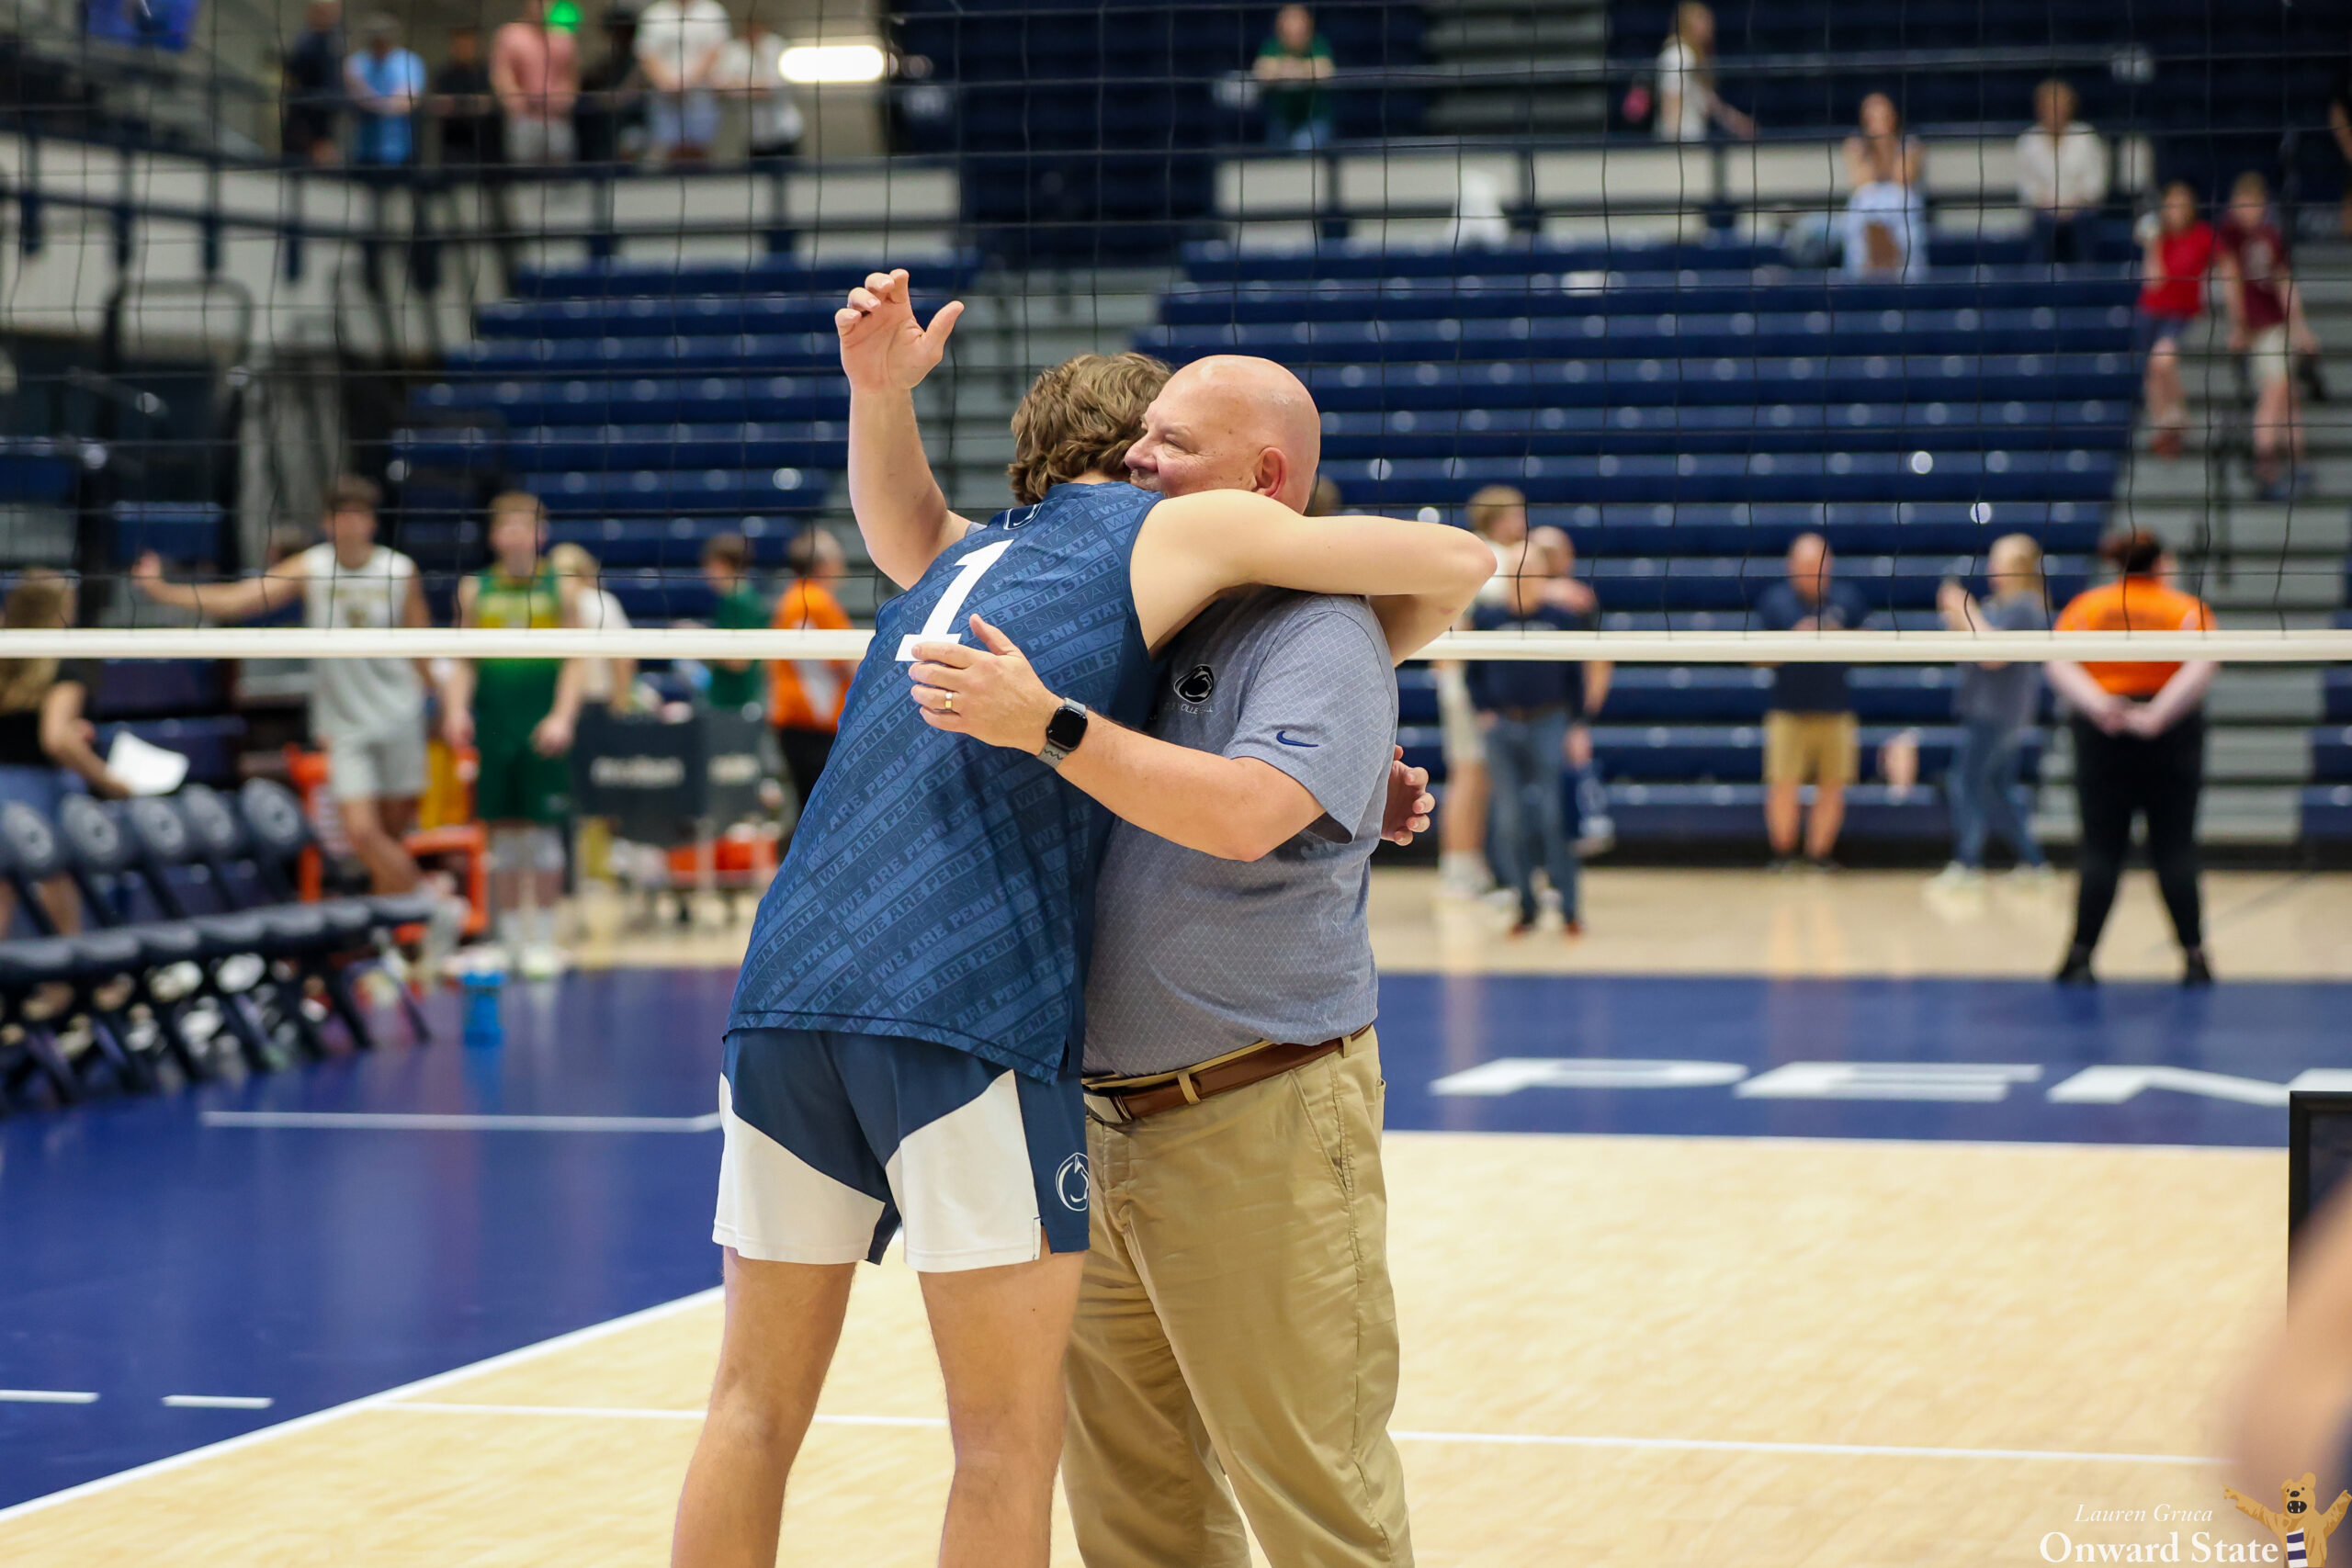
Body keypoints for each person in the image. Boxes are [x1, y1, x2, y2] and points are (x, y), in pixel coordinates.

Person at [668, 269, 1491, 1568]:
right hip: (981, 1015)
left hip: (798, 987)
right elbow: (1456, 559)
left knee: (752, 1402)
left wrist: (877, 397)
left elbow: (906, 524)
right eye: (1147, 439)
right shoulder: (1138, 550)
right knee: (1015, 1447)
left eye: (1184, 443)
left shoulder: (988, 566)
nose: (1159, 462)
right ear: (1116, 457)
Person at [134, 476, 433, 898]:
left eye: (358, 516)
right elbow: (241, 599)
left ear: (371, 522)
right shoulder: (313, 567)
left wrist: (446, 706)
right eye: (340, 516)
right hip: (346, 724)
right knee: (362, 834)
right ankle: (431, 908)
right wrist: (163, 591)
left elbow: (424, 644)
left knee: (391, 836)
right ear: (328, 523)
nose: (349, 525)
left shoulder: (399, 571)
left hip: (399, 715)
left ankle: (397, 945)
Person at [2046, 529, 2217, 987]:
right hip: (2171, 735)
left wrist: (2101, 707)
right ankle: (2195, 958)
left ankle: (2079, 958)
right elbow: (2204, 665)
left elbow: (2056, 661)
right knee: (2175, 849)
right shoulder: (2185, 608)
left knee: (2101, 848)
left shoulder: (2087, 607)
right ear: (2160, 562)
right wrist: (2157, 715)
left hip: (2104, 734)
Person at [440, 492, 585, 978]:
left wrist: (563, 716)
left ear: (543, 535)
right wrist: (457, 709)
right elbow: (461, 659)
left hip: (541, 721)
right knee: (500, 837)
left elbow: (577, 659)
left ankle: (542, 938)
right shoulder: (475, 589)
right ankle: (504, 940)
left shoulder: (559, 587)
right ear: (495, 535)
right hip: (495, 723)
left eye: (529, 527)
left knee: (543, 836)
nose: (519, 536)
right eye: (510, 527)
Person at [1467, 540, 1600, 936]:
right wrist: (1484, 711)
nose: (1524, 578)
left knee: (1551, 817)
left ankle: (1570, 909)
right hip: (1503, 725)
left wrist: (1576, 725)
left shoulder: (1561, 617)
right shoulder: (1489, 617)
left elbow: (1576, 675)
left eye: (1532, 570)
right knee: (1509, 821)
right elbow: (1472, 671)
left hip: (1549, 721)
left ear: (1545, 576)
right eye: (1516, 570)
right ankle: (1525, 906)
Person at [0, 573, 131, 935]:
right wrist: (108, 780)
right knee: (56, 882)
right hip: (39, 790)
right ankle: (69, 983)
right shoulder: (61, 663)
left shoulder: (6, 655)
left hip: (3, 787)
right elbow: (56, 739)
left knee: (4, 889)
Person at [1930, 534, 2052, 886]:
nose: (1991, 567)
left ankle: (1967, 865)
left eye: (1999, 561)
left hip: (1997, 713)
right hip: (1988, 709)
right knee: (2000, 787)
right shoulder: (1999, 605)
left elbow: (1992, 655)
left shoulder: (2025, 606)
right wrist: (1956, 616)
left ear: (2017, 569)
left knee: (1965, 783)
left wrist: (1965, 610)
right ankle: (2034, 863)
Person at [1755, 532, 1871, 871]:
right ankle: (1784, 857)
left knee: (1833, 787)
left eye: (1817, 565)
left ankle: (1819, 857)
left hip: (1836, 710)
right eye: (1804, 565)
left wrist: (1839, 637)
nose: (1811, 572)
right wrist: (1794, 642)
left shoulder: (1847, 598)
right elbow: (1755, 656)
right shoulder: (1775, 601)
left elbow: (1872, 644)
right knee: (1782, 785)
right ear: (1791, 566)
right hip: (1787, 711)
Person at [2217, 171, 2320, 502]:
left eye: (2253, 204)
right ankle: (2265, 465)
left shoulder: (2271, 237)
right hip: (2258, 331)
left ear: (2263, 206)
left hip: (2277, 328)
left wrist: (2301, 329)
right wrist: (2238, 326)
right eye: (2241, 204)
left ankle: (2297, 463)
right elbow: (2230, 284)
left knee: (2288, 396)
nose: (2247, 210)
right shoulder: (2230, 238)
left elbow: (2285, 286)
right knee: (2275, 392)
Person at [767, 527, 854, 807]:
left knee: (809, 809)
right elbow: (850, 663)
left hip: (795, 720)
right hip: (813, 723)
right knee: (823, 813)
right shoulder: (815, 601)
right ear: (824, 564)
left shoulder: (793, 597)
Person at [2136, 181, 2217, 462]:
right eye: (2171, 204)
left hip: (2182, 313)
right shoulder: (2159, 237)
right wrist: (2152, 243)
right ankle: (2165, 432)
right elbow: (2153, 282)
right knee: (2151, 373)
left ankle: (2179, 415)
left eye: (2182, 204)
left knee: (2162, 360)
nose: (2177, 210)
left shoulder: (2203, 235)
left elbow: (2224, 265)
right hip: (2151, 312)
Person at [2015, 78, 2107, 266]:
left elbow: (2096, 182)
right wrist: (2048, 204)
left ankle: (2087, 278)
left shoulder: (2087, 137)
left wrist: (2073, 203)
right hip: (2043, 211)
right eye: (2050, 106)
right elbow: (2026, 187)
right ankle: (2037, 280)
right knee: (2041, 228)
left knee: (2085, 226)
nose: (2056, 112)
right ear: (2040, 109)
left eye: (2061, 105)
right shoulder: (2027, 141)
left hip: (2080, 209)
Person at [1842, 92, 1925, 281]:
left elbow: (1902, 178)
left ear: (1893, 117)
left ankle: (1905, 271)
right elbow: (1862, 182)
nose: (1877, 121)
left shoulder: (1910, 145)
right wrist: (1873, 146)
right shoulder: (1855, 146)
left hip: (1899, 210)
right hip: (1867, 214)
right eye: (1871, 116)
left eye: (1882, 115)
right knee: (1866, 199)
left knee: (1898, 197)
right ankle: (1863, 270)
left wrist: (1885, 143)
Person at [634, 0, 729, 162]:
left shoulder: (712, 10)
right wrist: (667, 83)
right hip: (665, 96)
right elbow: (645, 53)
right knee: (667, 149)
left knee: (700, 148)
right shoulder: (655, 13)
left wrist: (689, 81)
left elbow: (717, 49)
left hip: (701, 95)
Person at [548, 542, 636, 709]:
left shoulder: (599, 603)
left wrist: (621, 699)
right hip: (563, 699)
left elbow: (623, 658)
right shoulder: (548, 605)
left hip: (594, 699)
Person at [492, 0, 581, 165]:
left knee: (560, 177)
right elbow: (502, 75)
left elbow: (572, 76)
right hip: (523, 120)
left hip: (557, 119)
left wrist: (565, 101)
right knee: (524, 175)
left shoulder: (563, 37)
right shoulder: (511, 35)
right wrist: (517, 104)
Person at [1654, 2, 1752, 143]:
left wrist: (1738, 123)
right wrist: (1673, 145)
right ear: (1686, 23)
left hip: (1694, 141)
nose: (1709, 25)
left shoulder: (1695, 56)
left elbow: (1710, 102)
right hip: (1680, 143)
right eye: (1702, 19)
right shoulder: (1678, 55)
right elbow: (1671, 101)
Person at [343, 15, 425, 172]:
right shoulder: (356, 63)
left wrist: (374, 102)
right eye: (375, 38)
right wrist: (388, 104)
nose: (379, 43)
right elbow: (356, 99)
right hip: (364, 150)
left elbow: (407, 102)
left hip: (402, 150)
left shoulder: (409, 61)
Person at [718, 8, 802, 160]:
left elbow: (776, 86)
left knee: (788, 178)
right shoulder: (735, 51)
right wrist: (755, 87)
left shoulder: (777, 46)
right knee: (754, 179)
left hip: (784, 131)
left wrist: (744, 87)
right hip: (753, 135)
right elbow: (722, 85)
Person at [700, 533, 766, 716]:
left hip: (735, 703)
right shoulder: (740, 598)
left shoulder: (739, 601)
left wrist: (699, 642)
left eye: (709, 565)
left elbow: (739, 661)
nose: (706, 572)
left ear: (720, 564)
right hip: (733, 700)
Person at [1253, 3, 1335, 152]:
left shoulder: (1317, 45)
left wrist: (1290, 69)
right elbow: (1262, 71)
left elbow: (1325, 71)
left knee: (1304, 149)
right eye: (1288, 20)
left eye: (1298, 20)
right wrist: (1303, 71)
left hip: (1313, 120)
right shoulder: (1272, 46)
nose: (1293, 26)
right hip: (1280, 120)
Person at [574, 4, 647, 166]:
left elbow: (628, 92)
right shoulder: (607, 63)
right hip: (602, 133)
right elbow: (586, 84)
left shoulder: (638, 61)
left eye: (618, 32)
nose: (614, 38)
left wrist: (609, 99)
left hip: (632, 125)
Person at [431, 24, 503, 172]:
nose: (464, 47)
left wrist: (459, 105)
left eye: (469, 42)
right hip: (454, 145)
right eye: (459, 43)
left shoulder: (488, 74)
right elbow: (440, 106)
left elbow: (492, 103)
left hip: (486, 148)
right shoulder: (444, 75)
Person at [282, 0, 344, 165]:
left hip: (325, 113)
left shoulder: (334, 41)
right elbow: (292, 77)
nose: (331, 16)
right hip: (305, 115)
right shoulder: (305, 42)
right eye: (325, 11)